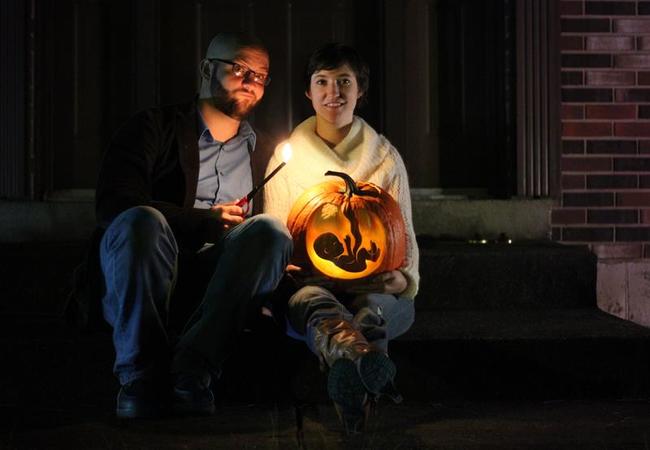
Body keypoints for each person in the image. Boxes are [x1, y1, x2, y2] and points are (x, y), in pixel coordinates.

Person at [93, 32, 293, 419]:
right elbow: (114, 205)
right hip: (147, 267)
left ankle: (193, 370)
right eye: (239, 69)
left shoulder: (266, 151)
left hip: (217, 282)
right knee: (142, 220)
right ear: (206, 68)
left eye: (261, 75)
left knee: (271, 231)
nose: (251, 82)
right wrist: (202, 221)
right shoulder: (152, 128)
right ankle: (141, 378)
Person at [263, 43, 419, 434]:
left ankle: (352, 389)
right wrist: (296, 277)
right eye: (323, 82)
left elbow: (405, 239)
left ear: (360, 91)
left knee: (374, 309)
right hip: (312, 289)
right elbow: (278, 241)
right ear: (309, 92)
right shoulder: (287, 161)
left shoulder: (384, 157)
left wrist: (403, 279)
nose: (334, 92)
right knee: (315, 305)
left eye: (344, 82)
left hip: (376, 287)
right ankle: (364, 399)